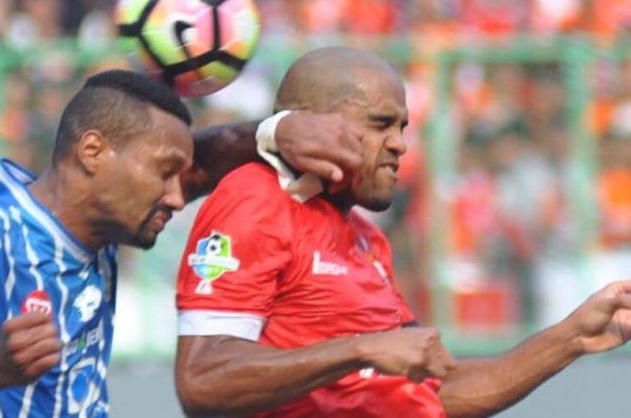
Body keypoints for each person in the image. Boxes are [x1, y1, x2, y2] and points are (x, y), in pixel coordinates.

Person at [175, 47, 631, 418]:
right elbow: (204, 380)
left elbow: (435, 393)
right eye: (380, 124)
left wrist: (573, 335)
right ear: (312, 123)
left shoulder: (366, 239)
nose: (399, 143)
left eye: (402, 127)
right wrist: (361, 350)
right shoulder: (255, 198)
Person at [0, 69, 364, 417]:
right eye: (164, 172)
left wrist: (274, 133)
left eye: (180, 177)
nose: (179, 196)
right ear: (93, 151)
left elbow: (202, 164)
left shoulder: (96, 235)